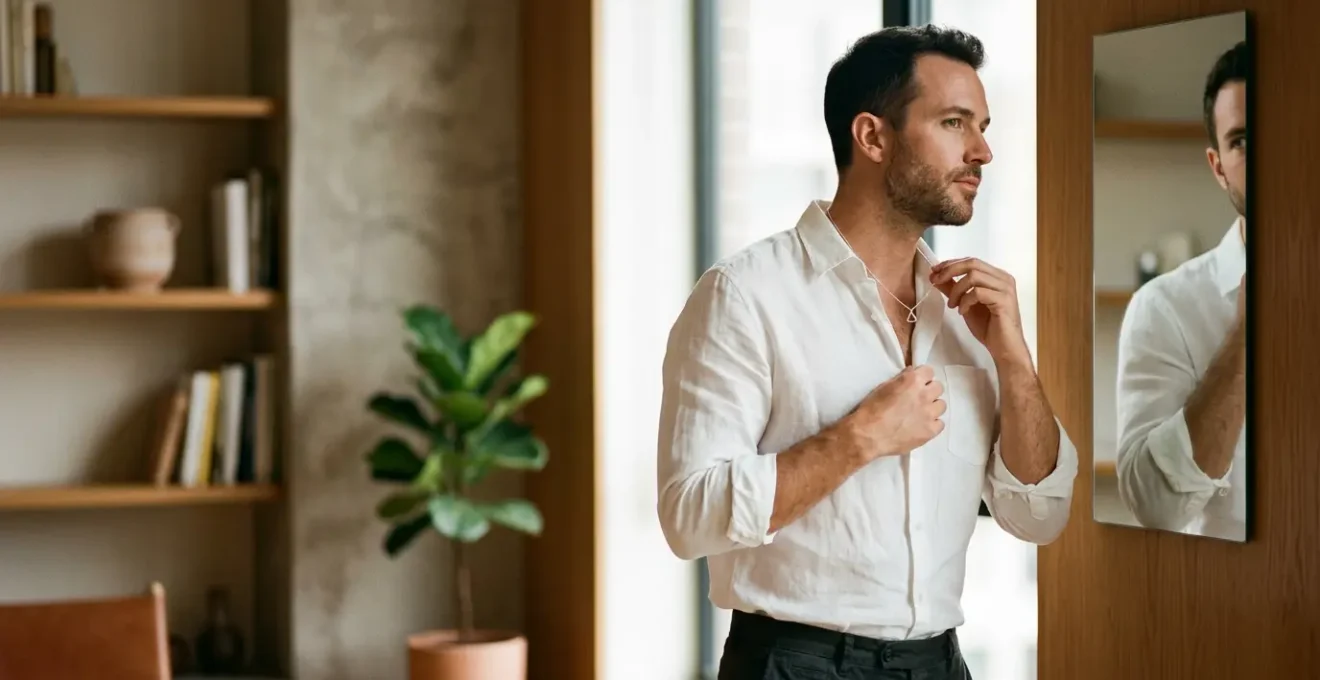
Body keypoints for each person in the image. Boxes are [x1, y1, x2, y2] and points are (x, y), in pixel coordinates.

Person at [656, 25, 1078, 680]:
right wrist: (859, 438)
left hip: (941, 662)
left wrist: (1016, 360)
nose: (983, 150)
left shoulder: (972, 316)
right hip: (794, 665)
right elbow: (689, 515)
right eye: (954, 122)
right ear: (873, 137)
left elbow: (1038, 514)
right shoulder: (744, 295)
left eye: (983, 125)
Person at [1114, 40, 1249, 541]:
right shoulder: (1164, 309)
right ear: (1218, 167)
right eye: (1243, 140)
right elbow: (1155, 508)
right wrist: (1244, 339)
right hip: (1231, 604)